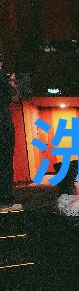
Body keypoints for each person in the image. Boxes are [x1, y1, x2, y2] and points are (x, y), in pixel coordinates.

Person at [0, 68, 21, 212]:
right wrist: (12, 82)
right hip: (3, 126)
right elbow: (16, 98)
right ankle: (4, 201)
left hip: (4, 124)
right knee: (5, 164)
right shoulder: (2, 79)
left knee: (5, 164)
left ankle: (5, 200)